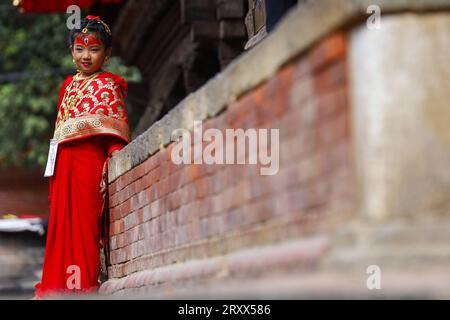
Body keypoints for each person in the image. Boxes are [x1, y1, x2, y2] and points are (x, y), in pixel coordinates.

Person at [34, 15, 130, 299]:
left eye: (94, 49)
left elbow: (116, 133)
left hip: (89, 165)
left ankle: (82, 288)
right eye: (79, 48)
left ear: (107, 53)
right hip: (64, 165)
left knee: (85, 230)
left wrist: (115, 157)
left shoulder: (108, 85)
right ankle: (58, 288)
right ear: (71, 51)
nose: (85, 55)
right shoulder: (67, 86)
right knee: (61, 230)